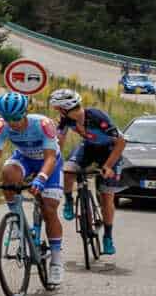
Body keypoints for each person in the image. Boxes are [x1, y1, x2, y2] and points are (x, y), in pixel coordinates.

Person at [0, 90, 66, 277]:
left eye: (17, 118)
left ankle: (57, 261)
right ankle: (16, 220)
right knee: (8, 173)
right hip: (25, 158)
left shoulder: (43, 124)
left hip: (48, 162)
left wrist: (41, 178)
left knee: (49, 209)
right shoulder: (1, 126)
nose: (13, 123)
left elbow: (50, 157)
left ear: (25, 112)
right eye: (8, 118)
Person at [51, 90, 125, 257]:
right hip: (89, 148)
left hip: (110, 151)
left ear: (65, 108)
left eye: (58, 108)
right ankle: (69, 201)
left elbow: (121, 142)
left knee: (106, 197)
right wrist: (54, 162)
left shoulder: (98, 117)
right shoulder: (66, 119)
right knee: (68, 169)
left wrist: (108, 166)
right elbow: (59, 141)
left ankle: (107, 236)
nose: (57, 112)